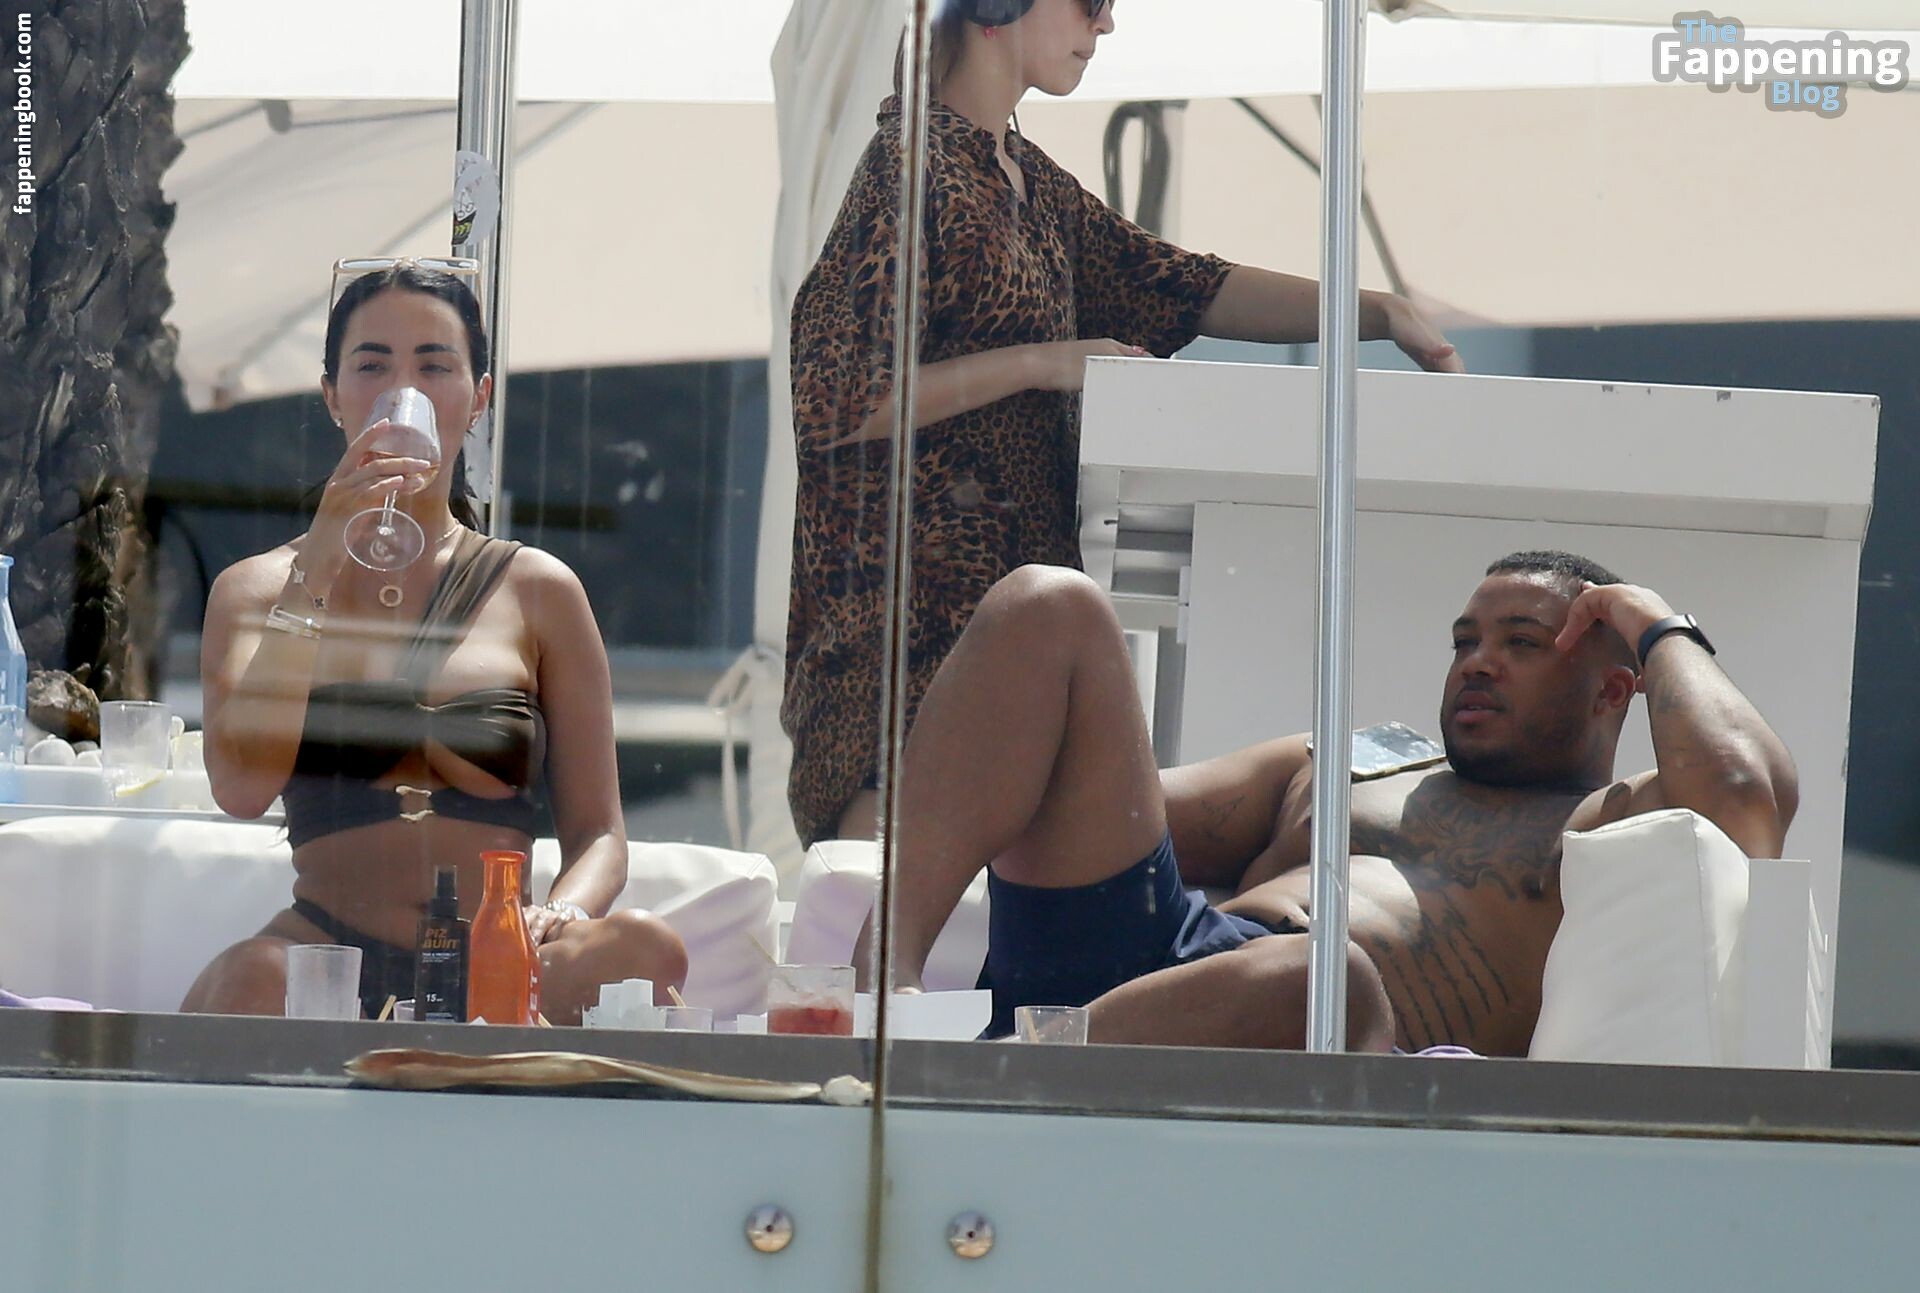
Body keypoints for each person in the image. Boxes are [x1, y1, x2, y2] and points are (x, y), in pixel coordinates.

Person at [785, 0, 1467, 848]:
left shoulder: (1028, 184)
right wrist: (1044, 361)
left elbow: (1185, 285)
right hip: (903, 667)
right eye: (1090, 1)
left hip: (1004, 644)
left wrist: (1377, 311)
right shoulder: (908, 168)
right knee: (911, 924)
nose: (1104, 25)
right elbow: (838, 401)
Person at [866, 551, 1797, 1054]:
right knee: (1048, 602)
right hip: (1145, 965)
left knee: (1321, 979)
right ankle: (877, 991)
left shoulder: (1610, 822)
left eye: (1522, 641)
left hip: (1314, 1039)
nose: (1478, 661)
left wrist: (1652, 618)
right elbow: (1056, 793)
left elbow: (1746, 794)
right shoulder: (1349, 761)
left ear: (1614, 689)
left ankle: (997, 1071)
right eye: (1465, 640)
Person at [182, 261, 687, 1024]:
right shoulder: (256, 589)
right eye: (372, 365)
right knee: (251, 978)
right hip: (327, 947)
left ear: (477, 398)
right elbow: (241, 789)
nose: (402, 390)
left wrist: (563, 914)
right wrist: (320, 559)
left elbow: (599, 833)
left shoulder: (538, 590)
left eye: (433, 365)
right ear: (332, 395)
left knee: (647, 949)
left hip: (498, 956)